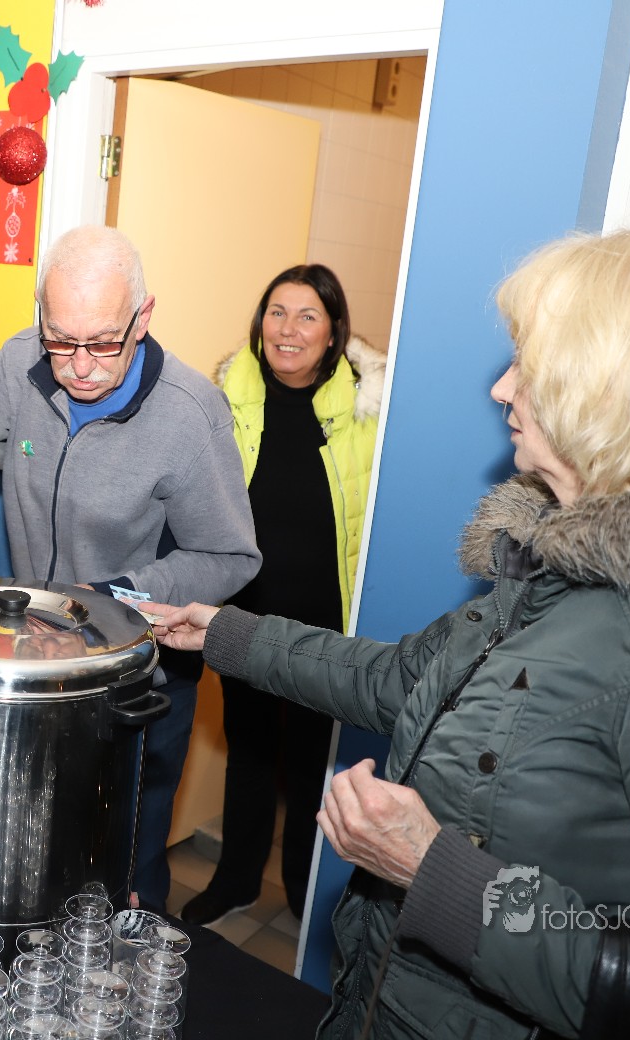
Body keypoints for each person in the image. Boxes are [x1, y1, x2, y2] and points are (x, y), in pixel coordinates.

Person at [154, 223, 630, 1037]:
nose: (502, 388)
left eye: (529, 365)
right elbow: (396, 678)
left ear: (614, 393)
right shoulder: (554, 557)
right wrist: (222, 632)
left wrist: (435, 871)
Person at [0, 225, 260, 910]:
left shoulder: (191, 414)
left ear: (142, 318)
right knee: (29, 860)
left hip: (137, 688)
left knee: (122, 877)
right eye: (61, 340)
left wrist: (109, 599)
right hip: (37, 674)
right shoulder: (21, 361)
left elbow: (229, 556)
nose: (80, 367)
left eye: (102, 343)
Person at [182, 265, 385, 928]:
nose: (288, 329)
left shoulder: (369, 412)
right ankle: (236, 880)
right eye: (277, 312)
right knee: (247, 751)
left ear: (333, 332)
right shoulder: (225, 402)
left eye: (307, 315)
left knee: (309, 765)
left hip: (326, 626)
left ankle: (304, 891)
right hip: (244, 614)